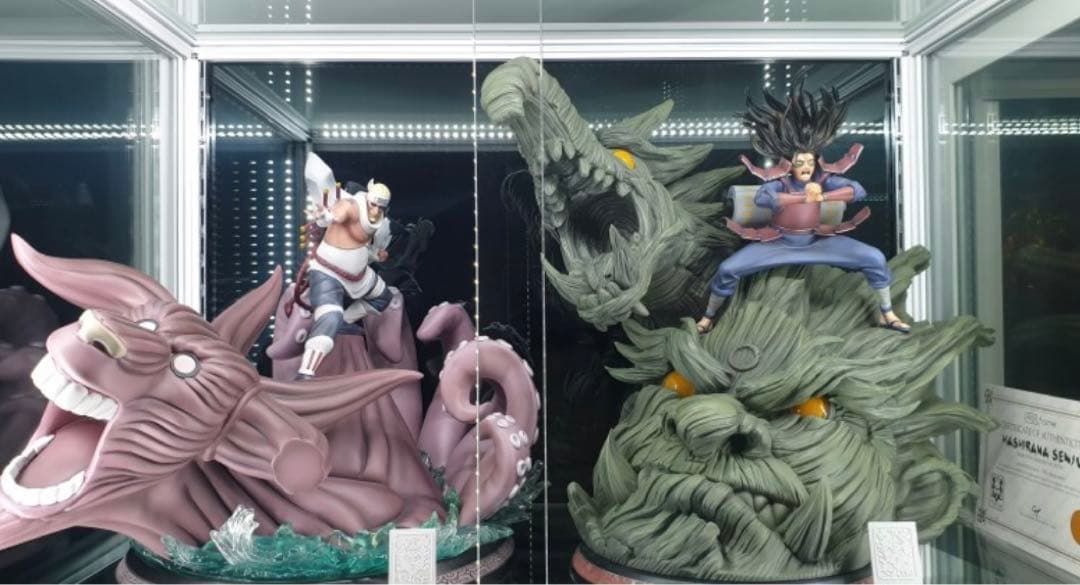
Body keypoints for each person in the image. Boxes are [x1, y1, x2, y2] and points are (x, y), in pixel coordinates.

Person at [696, 83, 910, 335]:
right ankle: (708, 317)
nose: (806, 167)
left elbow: (858, 191)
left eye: (810, 161)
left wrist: (824, 196)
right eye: (800, 162)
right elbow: (765, 199)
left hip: (817, 241)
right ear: (789, 164)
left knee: (874, 258)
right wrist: (802, 198)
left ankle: (887, 312)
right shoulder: (779, 183)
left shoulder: (823, 179)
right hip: (778, 244)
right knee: (727, 269)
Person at [297, 178, 394, 379]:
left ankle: (345, 320)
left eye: (381, 207)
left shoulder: (379, 218)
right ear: (367, 199)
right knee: (329, 317)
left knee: (383, 297)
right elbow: (335, 215)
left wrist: (376, 256)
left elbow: (362, 245)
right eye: (374, 205)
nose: (376, 210)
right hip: (328, 272)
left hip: (359, 276)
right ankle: (306, 372)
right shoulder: (350, 206)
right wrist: (326, 216)